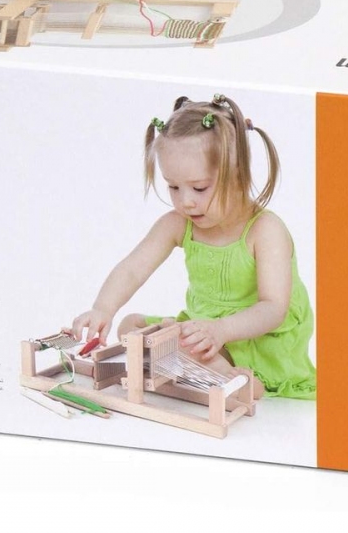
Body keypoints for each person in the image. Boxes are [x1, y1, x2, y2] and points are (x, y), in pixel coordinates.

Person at [71, 93, 316, 399]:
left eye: (199, 188)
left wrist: (222, 330)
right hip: (204, 329)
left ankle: (233, 378)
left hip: (257, 337)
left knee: (172, 346)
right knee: (129, 326)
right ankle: (201, 367)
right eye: (173, 186)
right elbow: (133, 269)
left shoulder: (265, 230)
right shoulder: (178, 223)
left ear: (238, 175)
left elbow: (273, 308)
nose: (185, 201)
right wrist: (102, 308)